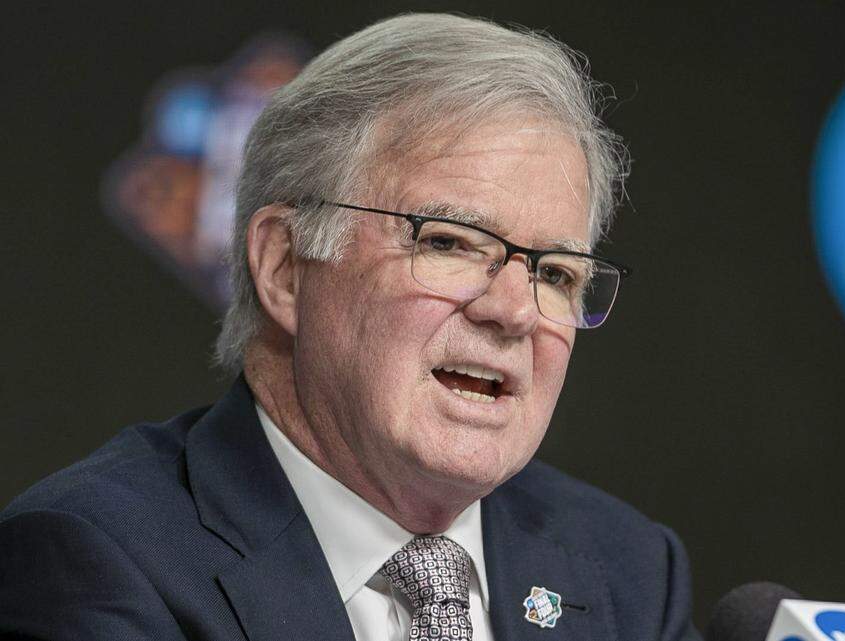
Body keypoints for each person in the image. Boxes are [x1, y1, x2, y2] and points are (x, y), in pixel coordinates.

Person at [0, 13, 700, 641]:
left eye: (554, 271)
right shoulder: (101, 561)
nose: (514, 311)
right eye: (449, 242)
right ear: (285, 266)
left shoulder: (628, 570)